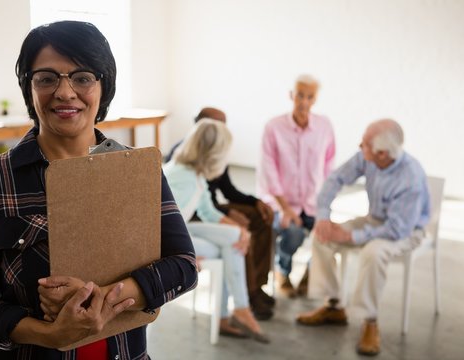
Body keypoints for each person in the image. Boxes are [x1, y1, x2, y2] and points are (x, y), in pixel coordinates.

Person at [0, 20, 197, 360]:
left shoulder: (138, 171)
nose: (65, 93)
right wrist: (50, 335)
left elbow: (184, 265)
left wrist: (100, 297)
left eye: (82, 77)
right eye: (47, 78)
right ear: (29, 87)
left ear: (103, 86)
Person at [296, 119, 430, 356]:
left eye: (365, 143)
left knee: (374, 251)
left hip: (406, 231)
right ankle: (334, 305)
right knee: (323, 237)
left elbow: (397, 230)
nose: (360, 146)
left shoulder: (410, 177)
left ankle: (370, 320)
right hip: (375, 220)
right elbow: (335, 179)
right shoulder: (367, 157)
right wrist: (325, 218)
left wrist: (352, 235)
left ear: (382, 153)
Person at [163, 119, 270, 344]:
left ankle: (235, 311)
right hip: (166, 240)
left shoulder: (193, 173)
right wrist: (183, 255)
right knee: (229, 245)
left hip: (179, 231)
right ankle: (237, 310)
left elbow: (209, 212)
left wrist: (241, 231)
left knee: (232, 239)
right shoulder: (185, 178)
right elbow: (160, 225)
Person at [257, 74, 336, 298]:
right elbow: (268, 171)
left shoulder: (324, 126)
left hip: (313, 201)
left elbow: (329, 163)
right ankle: (282, 271)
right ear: (291, 95)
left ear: (315, 100)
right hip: (282, 202)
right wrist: (285, 208)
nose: (303, 101)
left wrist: (325, 201)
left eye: (309, 96)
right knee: (293, 234)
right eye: (300, 95)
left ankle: (311, 274)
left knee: (327, 236)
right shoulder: (273, 127)